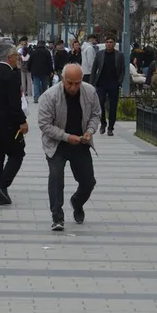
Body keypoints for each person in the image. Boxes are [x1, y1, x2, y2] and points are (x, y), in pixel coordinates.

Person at [38, 64, 100, 231]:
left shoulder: (90, 92)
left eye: (77, 83)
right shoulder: (50, 96)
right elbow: (44, 124)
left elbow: (96, 114)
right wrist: (66, 137)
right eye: (70, 83)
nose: (73, 87)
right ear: (63, 79)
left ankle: (77, 202)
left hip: (80, 142)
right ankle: (57, 217)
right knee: (56, 177)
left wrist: (90, 131)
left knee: (88, 182)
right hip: (56, 144)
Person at [0, 41, 28, 206]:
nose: (18, 59)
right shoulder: (11, 75)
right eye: (16, 56)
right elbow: (14, 104)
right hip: (7, 124)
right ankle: (1, 186)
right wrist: (22, 121)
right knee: (17, 154)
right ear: (9, 57)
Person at [91, 36, 124, 136]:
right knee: (100, 104)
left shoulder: (119, 55)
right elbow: (94, 68)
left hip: (113, 83)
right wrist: (92, 82)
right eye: (107, 42)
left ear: (114, 44)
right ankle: (103, 123)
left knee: (113, 106)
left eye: (111, 42)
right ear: (105, 43)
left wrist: (119, 82)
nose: (109, 44)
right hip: (101, 83)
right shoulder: (100, 54)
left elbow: (123, 69)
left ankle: (110, 127)